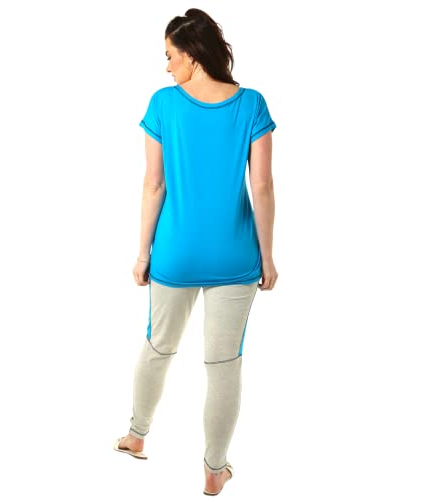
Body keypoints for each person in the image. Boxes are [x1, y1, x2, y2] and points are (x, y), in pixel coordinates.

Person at [114, 8, 279, 496]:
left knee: (158, 346)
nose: (166, 66)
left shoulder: (163, 104)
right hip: (235, 257)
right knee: (223, 364)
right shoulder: (251, 104)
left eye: (170, 55)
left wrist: (142, 254)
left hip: (175, 254)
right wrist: (268, 257)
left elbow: (154, 184)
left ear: (191, 55)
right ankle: (214, 469)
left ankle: (136, 435)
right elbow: (263, 187)